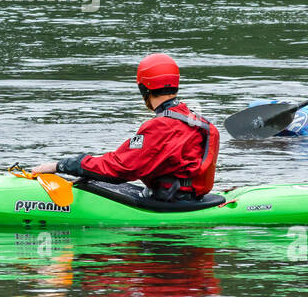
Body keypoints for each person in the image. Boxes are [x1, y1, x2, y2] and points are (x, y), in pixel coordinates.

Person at [30, 53, 219, 200]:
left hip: (168, 204)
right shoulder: (198, 121)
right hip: (190, 198)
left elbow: (119, 169)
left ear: (144, 89)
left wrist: (61, 165)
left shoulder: (160, 126)